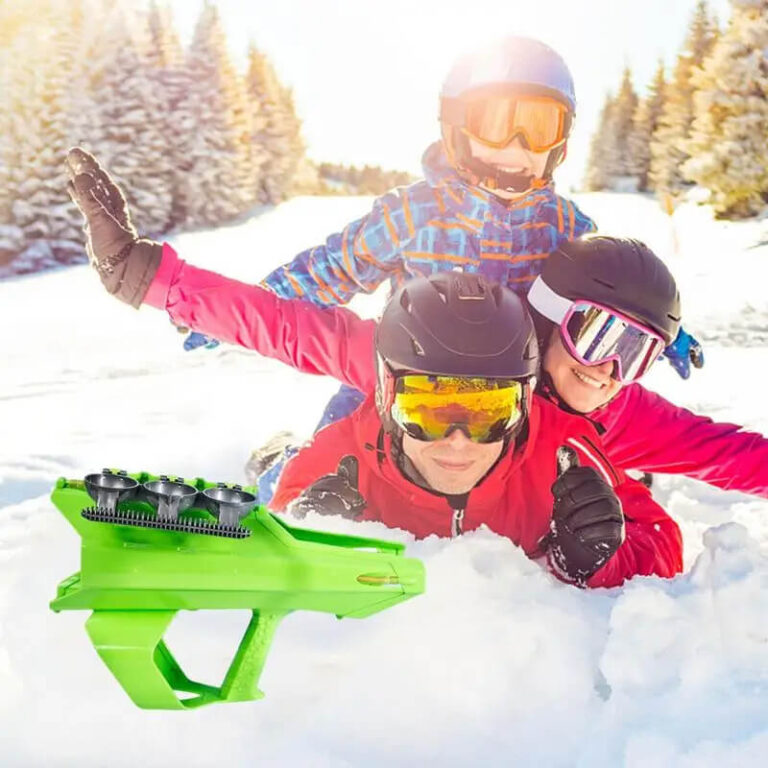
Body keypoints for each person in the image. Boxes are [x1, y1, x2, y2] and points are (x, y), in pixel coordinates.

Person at [65, 155, 683, 589]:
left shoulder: (564, 436)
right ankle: (273, 456)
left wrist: (600, 550)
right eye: (431, 408)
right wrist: (148, 276)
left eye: (491, 413)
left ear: (523, 397)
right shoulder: (371, 388)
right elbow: (279, 319)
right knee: (296, 469)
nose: (458, 439)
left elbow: (665, 528)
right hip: (378, 403)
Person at [180, 35, 700, 424]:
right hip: (403, 381)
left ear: (560, 140)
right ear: (457, 125)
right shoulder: (413, 214)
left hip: (510, 394)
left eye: (539, 127)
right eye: (496, 122)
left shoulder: (564, 225)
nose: (517, 145)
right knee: (343, 436)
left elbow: (612, 293)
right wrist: (237, 310)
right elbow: (328, 272)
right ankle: (290, 487)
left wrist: (663, 334)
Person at [527, 236, 768, 497]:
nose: (607, 369)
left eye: (634, 353)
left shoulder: (616, 415)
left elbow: (728, 454)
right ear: (546, 321)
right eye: (595, 338)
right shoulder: (490, 390)